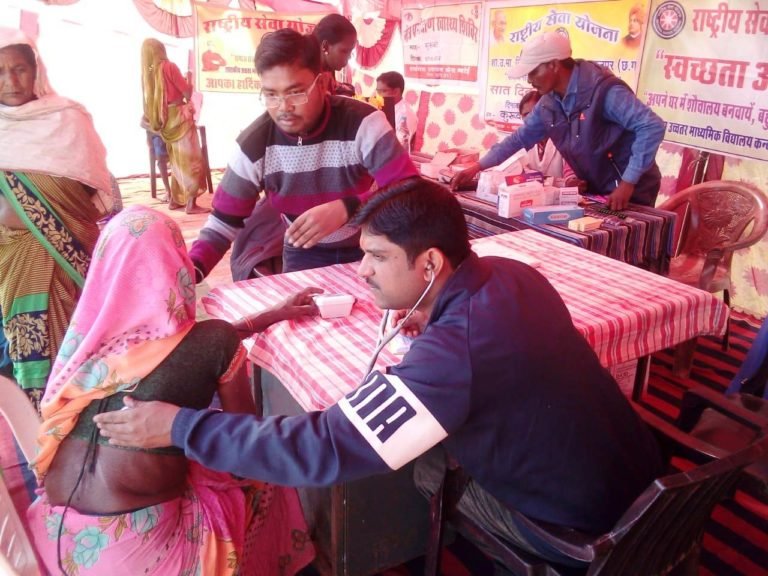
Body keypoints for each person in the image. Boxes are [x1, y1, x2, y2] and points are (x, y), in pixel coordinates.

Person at [95, 178, 664, 570]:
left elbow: (325, 447)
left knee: (422, 466)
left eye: (377, 257)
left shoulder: (453, 351)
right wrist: (433, 327)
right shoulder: (511, 274)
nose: (361, 271)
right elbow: (489, 355)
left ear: (431, 263)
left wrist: (181, 429)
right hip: (640, 480)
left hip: (581, 526)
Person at [27, 206, 316, 576]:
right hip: (140, 556)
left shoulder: (87, 347)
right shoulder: (213, 342)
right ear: (175, 264)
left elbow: (172, 351)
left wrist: (265, 317)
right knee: (267, 480)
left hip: (56, 539)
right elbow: (245, 444)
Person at [189, 28, 417, 278]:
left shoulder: (363, 123)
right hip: (303, 252)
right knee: (304, 315)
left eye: (295, 92)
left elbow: (410, 189)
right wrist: (190, 273)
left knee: (376, 315)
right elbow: (223, 222)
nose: (284, 108)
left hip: (369, 246)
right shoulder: (254, 145)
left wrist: (348, 208)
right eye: (271, 95)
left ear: (322, 84)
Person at [0, 27, 112, 410]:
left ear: (36, 70)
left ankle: (77, 421)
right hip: (14, 260)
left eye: (19, 69)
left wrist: (43, 209)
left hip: (71, 256)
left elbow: (95, 193)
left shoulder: (67, 118)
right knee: (25, 347)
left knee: (79, 345)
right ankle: (41, 423)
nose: (11, 80)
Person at [453, 31, 665, 210]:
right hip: (597, 190)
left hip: (632, 191)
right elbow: (518, 140)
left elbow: (651, 126)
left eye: (534, 71)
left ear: (554, 65)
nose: (529, 80)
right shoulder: (548, 103)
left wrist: (628, 183)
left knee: (626, 246)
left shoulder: (605, 92)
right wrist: (477, 167)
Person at [141, 38, 208, 214]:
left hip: (165, 120)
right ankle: (191, 204)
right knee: (191, 160)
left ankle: (174, 200)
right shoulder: (169, 67)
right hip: (179, 116)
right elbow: (186, 92)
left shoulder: (148, 73)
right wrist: (190, 80)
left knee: (177, 160)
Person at [517, 90, 577, 182]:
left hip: (561, 195)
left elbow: (571, 174)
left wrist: (571, 180)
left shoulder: (566, 138)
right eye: (526, 114)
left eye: (535, 113)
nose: (531, 119)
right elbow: (519, 170)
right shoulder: (520, 142)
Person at [313, 13, 357, 96]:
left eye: (351, 51)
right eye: (345, 51)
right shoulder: (307, 78)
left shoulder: (327, 70)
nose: (349, 57)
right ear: (325, 46)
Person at [376, 71, 417, 151]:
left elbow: (398, 146)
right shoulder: (383, 106)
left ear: (396, 92)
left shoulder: (405, 114)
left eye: (383, 91)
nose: (378, 95)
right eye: (378, 91)